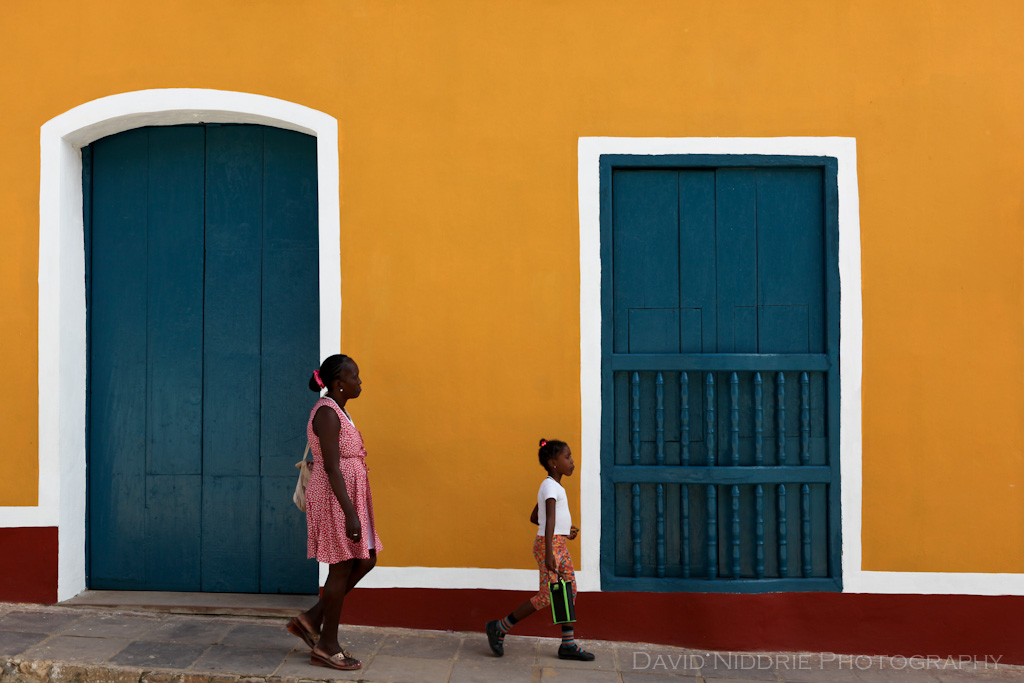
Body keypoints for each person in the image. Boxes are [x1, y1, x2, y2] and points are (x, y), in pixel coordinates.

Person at [286, 354, 382, 671]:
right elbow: (330, 465)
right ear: (339, 383)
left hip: (348, 494)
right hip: (334, 496)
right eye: (355, 376)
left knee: (366, 558)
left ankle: (312, 619)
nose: (360, 381)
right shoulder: (326, 413)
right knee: (341, 567)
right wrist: (350, 513)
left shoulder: (341, 411)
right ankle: (327, 645)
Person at [485, 439, 595, 661]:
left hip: (558, 543)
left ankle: (568, 645)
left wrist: (565, 531)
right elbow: (550, 518)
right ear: (553, 463)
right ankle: (499, 627)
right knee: (547, 596)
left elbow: (536, 517)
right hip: (550, 546)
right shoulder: (550, 486)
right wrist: (548, 553)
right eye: (567, 457)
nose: (572, 462)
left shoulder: (552, 486)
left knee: (570, 590)